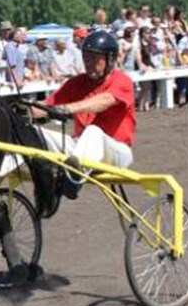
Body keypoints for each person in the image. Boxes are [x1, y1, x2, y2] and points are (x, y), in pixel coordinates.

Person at [31, 30, 136, 200]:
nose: (88, 63)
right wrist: (18, 110)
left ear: (111, 59)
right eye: (86, 57)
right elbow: (46, 106)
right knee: (31, 131)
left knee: (93, 131)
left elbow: (103, 101)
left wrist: (68, 109)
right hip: (80, 151)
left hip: (116, 153)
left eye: (95, 58)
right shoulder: (76, 83)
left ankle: (73, 178)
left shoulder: (122, 81)